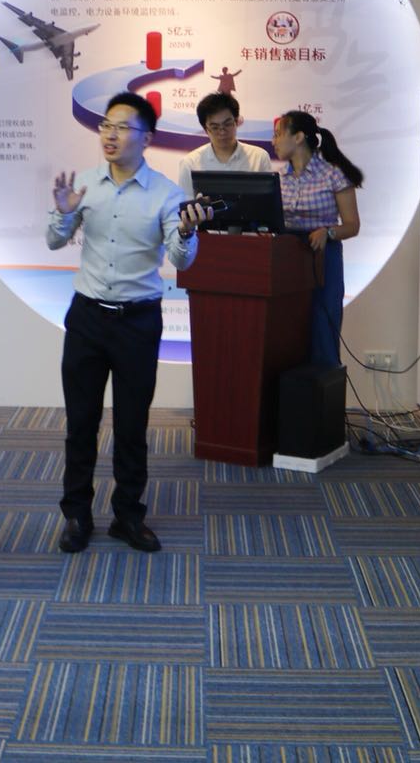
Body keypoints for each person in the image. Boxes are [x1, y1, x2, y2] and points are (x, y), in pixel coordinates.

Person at [47, 92, 210, 554]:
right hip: (87, 317)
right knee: (81, 422)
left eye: (122, 127)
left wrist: (186, 231)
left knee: (132, 424)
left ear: (147, 138)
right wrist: (63, 212)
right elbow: (54, 241)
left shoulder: (166, 194)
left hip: (138, 321)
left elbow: (181, 260)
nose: (110, 135)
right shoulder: (84, 184)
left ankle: (128, 516)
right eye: (105, 126)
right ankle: (77, 514)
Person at [273, 109, 364, 368]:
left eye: (278, 134)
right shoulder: (278, 177)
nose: (274, 141)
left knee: (323, 325)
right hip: (287, 257)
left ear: (298, 137)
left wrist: (328, 232)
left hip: (324, 255)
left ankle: (325, 384)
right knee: (288, 328)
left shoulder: (332, 174)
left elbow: (352, 226)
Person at [176, 90, 273, 195]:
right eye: (215, 127)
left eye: (227, 124)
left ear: (236, 122)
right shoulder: (190, 163)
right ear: (206, 129)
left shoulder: (259, 157)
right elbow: (186, 202)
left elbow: (268, 201)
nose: (222, 132)